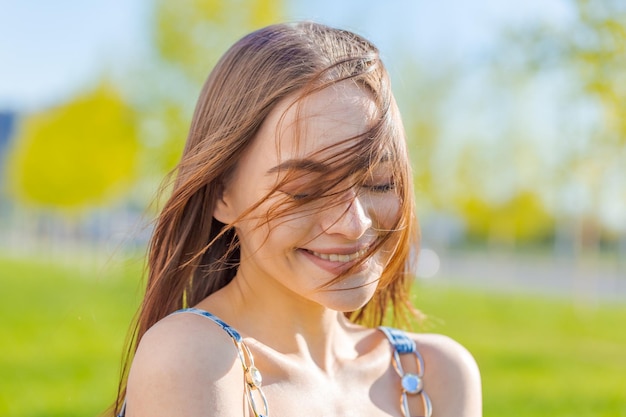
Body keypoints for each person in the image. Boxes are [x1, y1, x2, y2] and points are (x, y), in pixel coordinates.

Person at [113, 21, 481, 417]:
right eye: (305, 190)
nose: (353, 224)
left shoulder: (437, 376)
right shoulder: (194, 359)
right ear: (222, 193)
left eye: (378, 183)